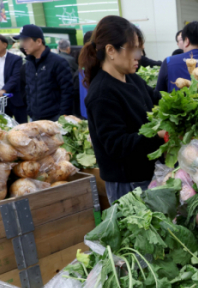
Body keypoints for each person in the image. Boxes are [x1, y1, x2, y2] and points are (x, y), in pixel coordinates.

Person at [80, 16, 164, 204]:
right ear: (111, 50)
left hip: (146, 174)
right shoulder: (102, 92)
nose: (139, 55)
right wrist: (158, 136)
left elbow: (157, 100)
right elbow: (117, 145)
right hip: (127, 183)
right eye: (133, 49)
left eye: (139, 49)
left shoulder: (131, 78)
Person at [14, 24, 73, 121]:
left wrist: (63, 117)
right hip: (35, 119)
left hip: (55, 118)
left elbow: (67, 92)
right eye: (21, 41)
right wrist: (30, 112)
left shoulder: (58, 62)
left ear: (38, 41)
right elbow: (28, 90)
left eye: (26, 40)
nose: (22, 44)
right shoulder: (28, 64)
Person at [0, 33, 27, 123]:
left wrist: (4, 90)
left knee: (22, 125)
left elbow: (15, 77)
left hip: (16, 98)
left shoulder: (16, 59)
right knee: (2, 125)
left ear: (5, 45)